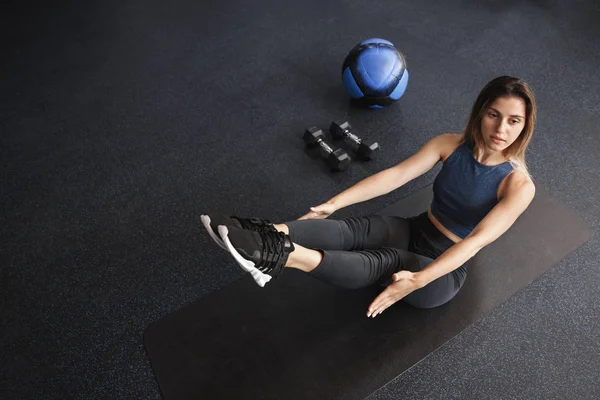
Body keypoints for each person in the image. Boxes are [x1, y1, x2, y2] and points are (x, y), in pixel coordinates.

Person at [201, 76, 536, 318]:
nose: (501, 129)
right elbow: (396, 175)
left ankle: (282, 256)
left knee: (388, 260)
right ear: (481, 112)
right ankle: (267, 233)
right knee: (358, 229)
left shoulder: (518, 186)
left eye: (514, 121)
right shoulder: (450, 144)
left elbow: (476, 241)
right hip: (418, 228)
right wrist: (336, 202)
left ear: (525, 126)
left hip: (443, 269)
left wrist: (417, 280)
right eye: (494, 115)